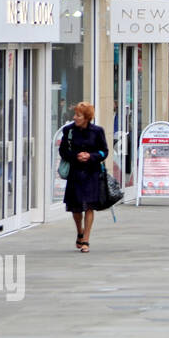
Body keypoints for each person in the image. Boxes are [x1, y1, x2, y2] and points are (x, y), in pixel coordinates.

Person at [59, 102, 109, 253]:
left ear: (86, 117)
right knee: (75, 207)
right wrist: (76, 156)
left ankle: (86, 238)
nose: (75, 117)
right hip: (75, 172)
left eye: (78, 115)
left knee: (89, 206)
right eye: (75, 114)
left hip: (91, 173)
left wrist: (91, 156)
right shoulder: (69, 130)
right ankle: (79, 231)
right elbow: (62, 151)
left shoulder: (97, 131)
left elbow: (104, 151)